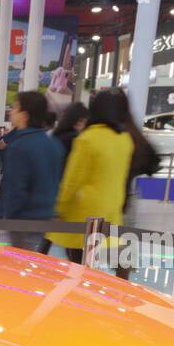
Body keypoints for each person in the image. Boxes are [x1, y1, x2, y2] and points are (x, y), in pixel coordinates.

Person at [47, 89, 134, 270]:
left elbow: (72, 180)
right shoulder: (125, 140)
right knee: (103, 265)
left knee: (79, 268)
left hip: (84, 215)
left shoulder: (87, 139)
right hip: (112, 210)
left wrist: (59, 208)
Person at [0, 90, 64, 253]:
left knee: (20, 266)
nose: (11, 112)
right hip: (46, 219)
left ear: (24, 115)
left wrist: (7, 216)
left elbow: (15, 189)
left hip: (22, 221)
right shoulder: (53, 144)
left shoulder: (19, 146)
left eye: (14, 108)